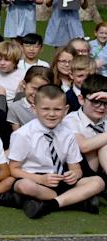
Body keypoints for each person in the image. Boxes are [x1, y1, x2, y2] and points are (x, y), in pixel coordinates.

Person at [8, 84, 104, 218]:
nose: (52, 114)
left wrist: (74, 175)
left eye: (57, 109)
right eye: (45, 109)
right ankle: (75, 201)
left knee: (98, 182)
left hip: (60, 178)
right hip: (35, 179)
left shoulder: (68, 133)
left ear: (65, 110)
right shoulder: (23, 134)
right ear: (34, 109)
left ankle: (51, 204)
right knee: (24, 186)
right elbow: (13, 169)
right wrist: (40, 179)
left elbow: (75, 168)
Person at [62, 74, 107, 181]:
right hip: (85, 170)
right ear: (81, 99)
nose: (101, 107)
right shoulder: (70, 120)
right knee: (103, 144)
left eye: (106, 103)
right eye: (96, 102)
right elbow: (84, 146)